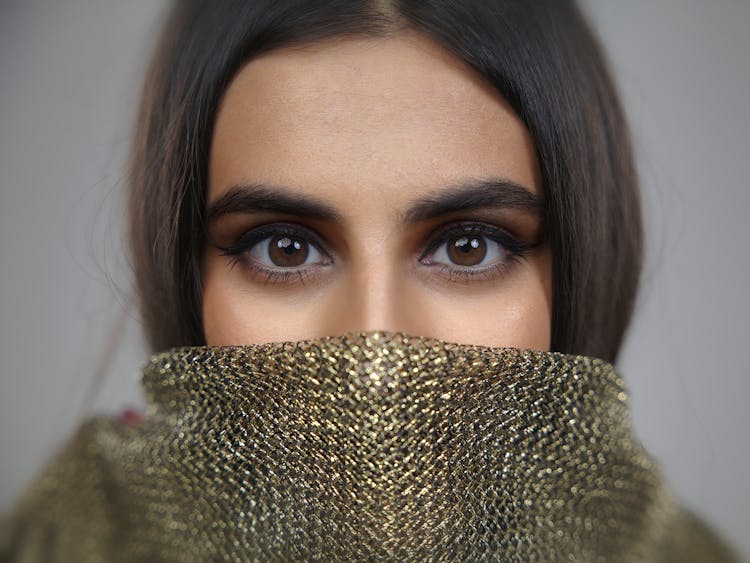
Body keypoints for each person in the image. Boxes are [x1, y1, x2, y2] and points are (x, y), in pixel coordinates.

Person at [0, 1, 738, 560]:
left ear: (582, 267)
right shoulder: (56, 541)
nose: (376, 358)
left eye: (469, 247)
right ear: (183, 273)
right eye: (285, 249)